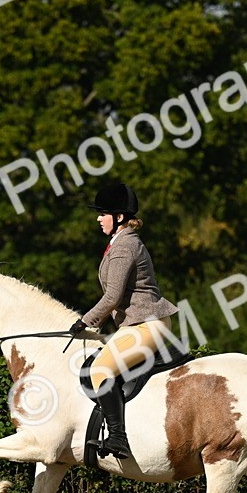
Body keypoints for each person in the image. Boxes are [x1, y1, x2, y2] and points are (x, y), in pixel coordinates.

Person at [69, 183, 179, 459]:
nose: (98, 218)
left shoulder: (124, 246)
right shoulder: (119, 243)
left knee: (101, 369)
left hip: (147, 324)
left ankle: (118, 438)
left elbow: (112, 297)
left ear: (118, 217)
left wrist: (85, 321)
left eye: (103, 213)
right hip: (139, 324)